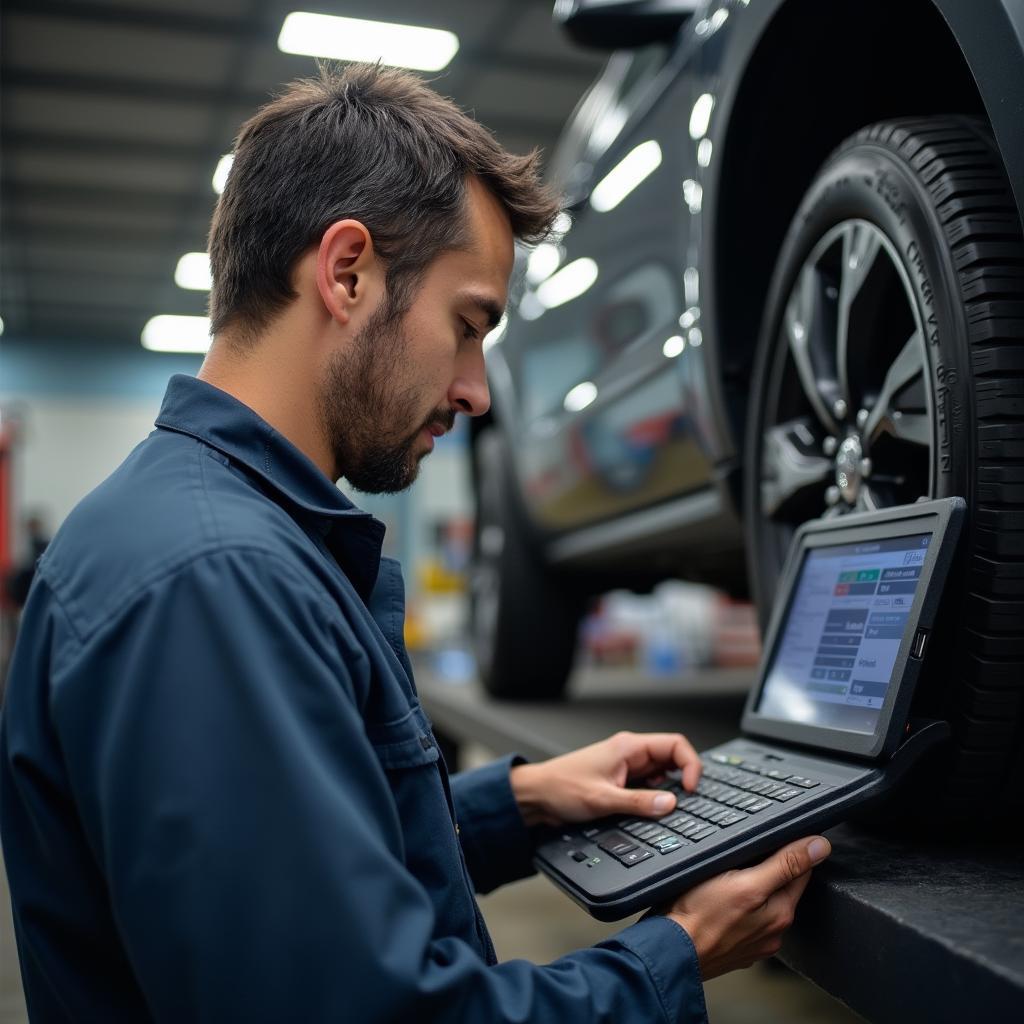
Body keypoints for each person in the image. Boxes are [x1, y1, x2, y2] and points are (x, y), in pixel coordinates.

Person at [0, 65, 830, 1022]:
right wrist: (672, 957)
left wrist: (515, 806)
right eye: (468, 325)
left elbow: (300, 877)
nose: (478, 392)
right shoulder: (216, 582)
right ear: (346, 272)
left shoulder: (215, 535)